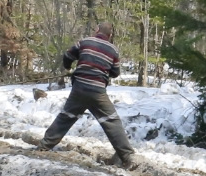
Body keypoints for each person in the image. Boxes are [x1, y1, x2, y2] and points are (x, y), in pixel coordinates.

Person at [37, 22, 135, 167]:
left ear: (97, 30)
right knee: (112, 121)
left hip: (79, 88)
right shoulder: (113, 50)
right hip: (98, 92)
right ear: (110, 35)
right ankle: (127, 157)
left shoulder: (85, 42)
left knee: (66, 116)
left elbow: (68, 55)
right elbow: (115, 73)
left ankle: (44, 146)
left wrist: (68, 67)